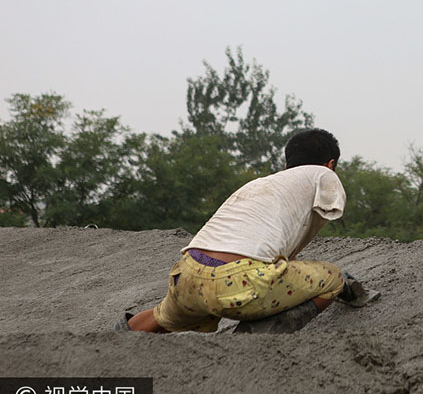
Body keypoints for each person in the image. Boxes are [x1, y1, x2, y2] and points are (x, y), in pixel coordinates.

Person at [116, 128, 379, 334]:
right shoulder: (323, 174)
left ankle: (111, 342)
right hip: (237, 280)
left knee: (163, 316)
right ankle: (257, 336)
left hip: (186, 272)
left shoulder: (260, 184)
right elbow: (308, 230)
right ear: (330, 163)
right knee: (332, 276)